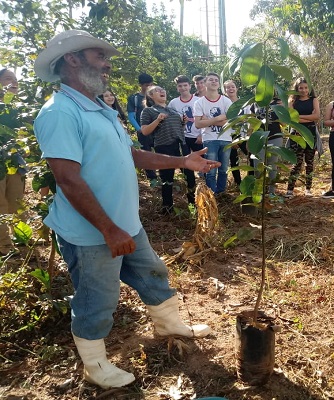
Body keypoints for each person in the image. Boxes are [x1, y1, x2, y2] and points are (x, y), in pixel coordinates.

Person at [33, 30, 220, 389]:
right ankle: (95, 365)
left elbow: (128, 154)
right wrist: (108, 229)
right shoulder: (60, 113)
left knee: (152, 272)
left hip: (124, 222)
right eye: (98, 56)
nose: (107, 65)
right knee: (97, 298)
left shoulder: (100, 108)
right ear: (72, 60)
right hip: (93, 232)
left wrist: (181, 161)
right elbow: (68, 179)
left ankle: (168, 323)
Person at [141, 85, 197, 214]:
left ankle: (193, 205)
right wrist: (158, 120)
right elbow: (145, 131)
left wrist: (182, 123)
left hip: (181, 145)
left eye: (162, 89)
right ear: (151, 96)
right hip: (164, 146)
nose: (162, 91)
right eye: (157, 90)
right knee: (167, 178)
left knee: (189, 175)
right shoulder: (149, 111)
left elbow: (177, 129)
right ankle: (167, 208)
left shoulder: (172, 110)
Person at [0, 68, 26, 255]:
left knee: (17, 202)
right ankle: (4, 245)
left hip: (15, 163)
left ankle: (22, 240)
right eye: (8, 79)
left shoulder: (21, 109)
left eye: (16, 79)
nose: (13, 83)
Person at [193, 73, 233, 194]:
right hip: (209, 140)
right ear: (205, 83)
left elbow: (230, 122)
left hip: (226, 139)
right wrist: (217, 119)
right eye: (211, 80)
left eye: (216, 80)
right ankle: (212, 194)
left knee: (223, 169)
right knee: (210, 170)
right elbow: (197, 124)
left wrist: (207, 120)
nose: (214, 82)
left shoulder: (226, 101)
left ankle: (221, 192)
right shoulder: (199, 103)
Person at [286, 77, 320, 197]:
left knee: (309, 162)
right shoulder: (292, 101)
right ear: (296, 88)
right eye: (301, 88)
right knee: (297, 162)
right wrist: (308, 117)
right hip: (297, 133)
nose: (304, 90)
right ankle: (289, 190)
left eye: (306, 87)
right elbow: (291, 118)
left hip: (310, 133)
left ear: (309, 88)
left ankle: (308, 189)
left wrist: (300, 118)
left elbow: (317, 116)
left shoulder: (313, 100)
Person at [247, 96, 284, 196]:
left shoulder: (278, 103)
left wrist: (282, 110)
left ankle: (272, 191)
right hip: (259, 138)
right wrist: (249, 137)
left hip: (275, 136)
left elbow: (284, 123)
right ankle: (259, 191)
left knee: (272, 164)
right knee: (257, 165)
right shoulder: (254, 104)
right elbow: (251, 123)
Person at [127, 72, 158, 186]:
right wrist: (139, 129)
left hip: (157, 130)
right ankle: (152, 178)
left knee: (161, 151)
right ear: (140, 85)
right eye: (146, 85)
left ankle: (165, 174)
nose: (149, 87)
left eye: (151, 84)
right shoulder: (134, 98)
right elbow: (131, 115)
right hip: (143, 131)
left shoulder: (156, 96)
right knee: (146, 153)